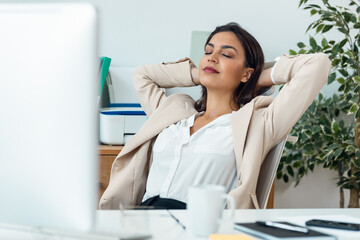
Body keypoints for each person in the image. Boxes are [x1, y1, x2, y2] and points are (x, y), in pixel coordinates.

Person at [99, 22, 331, 210]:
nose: (212, 57)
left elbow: (317, 64)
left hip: (198, 227)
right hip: (142, 220)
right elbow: (143, 75)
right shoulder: (172, 112)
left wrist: (253, 79)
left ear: (247, 72)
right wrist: (201, 73)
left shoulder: (257, 124)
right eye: (208, 51)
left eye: (227, 55)